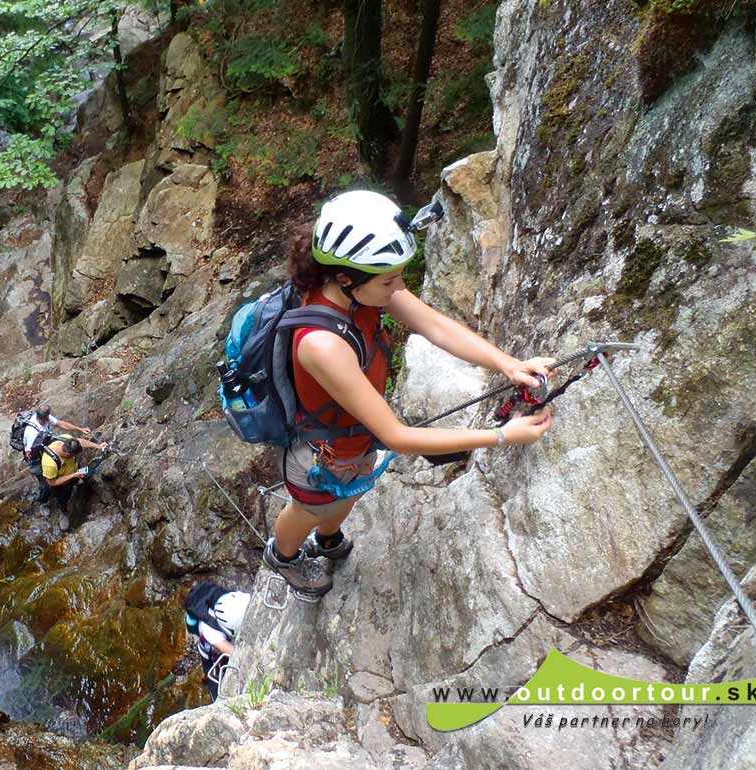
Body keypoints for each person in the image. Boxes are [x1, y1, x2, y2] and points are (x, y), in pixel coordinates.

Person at [261, 190, 556, 597]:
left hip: (354, 440)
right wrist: (505, 435)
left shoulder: (358, 287)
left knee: (345, 498)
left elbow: (435, 326)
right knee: (310, 508)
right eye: (389, 280)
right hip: (321, 452)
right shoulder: (321, 344)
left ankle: (328, 539)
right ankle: (285, 556)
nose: (398, 287)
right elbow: (399, 437)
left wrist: (508, 364)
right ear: (346, 277)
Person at [184, 585, 249, 700]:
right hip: (210, 657)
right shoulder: (209, 631)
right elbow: (233, 652)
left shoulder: (237, 600)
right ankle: (213, 694)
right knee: (214, 683)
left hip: (218, 644)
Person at [23, 405, 92, 502]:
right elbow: (29, 452)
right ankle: (43, 502)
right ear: (43, 417)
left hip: (46, 447)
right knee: (46, 485)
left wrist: (80, 429)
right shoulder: (31, 432)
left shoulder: (45, 418)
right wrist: (46, 460)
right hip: (36, 458)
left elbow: (61, 424)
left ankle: (69, 482)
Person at [40, 433, 107, 526]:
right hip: (61, 483)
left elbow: (80, 442)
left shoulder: (66, 439)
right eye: (74, 455)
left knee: (84, 475)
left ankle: (77, 481)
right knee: (63, 498)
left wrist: (98, 446)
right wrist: (72, 476)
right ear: (68, 454)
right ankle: (63, 512)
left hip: (73, 470)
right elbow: (51, 482)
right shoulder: (49, 463)